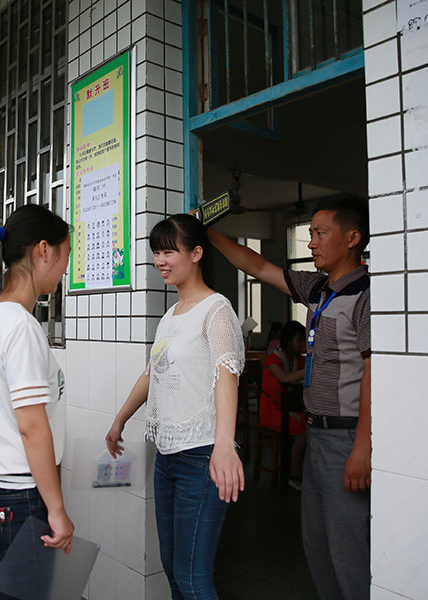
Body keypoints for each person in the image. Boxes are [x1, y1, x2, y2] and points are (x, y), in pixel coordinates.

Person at [208, 196, 371, 600]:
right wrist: (206, 233)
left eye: (320, 233)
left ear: (353, 238)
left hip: (347, 438)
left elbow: (374, 372)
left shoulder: (367, 295)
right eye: (310, 233)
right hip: (317, 436)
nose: (311, 243)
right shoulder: (317, 287)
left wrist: (363, 448)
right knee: (317, 544)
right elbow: (257, 266)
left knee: (348, 549)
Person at [106, 214, 244, 600]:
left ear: (197, 253)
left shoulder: (217, 310)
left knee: (194, 576)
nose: (160, 260)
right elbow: (152, 374)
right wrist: (120, 419)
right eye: (156, 252)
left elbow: (226, 374)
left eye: (169, 251)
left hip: (202, 457)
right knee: (172, 568)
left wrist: (224, 444)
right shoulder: (170, 316)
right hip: (167, 459)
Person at [0, 204, 74, 596]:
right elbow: (32, 428)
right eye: (64, 257)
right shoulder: (21, 327)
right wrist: (57, 510)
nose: (64, 270)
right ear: (43, 250)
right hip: (18, 496)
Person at [260, 320, 307, 490]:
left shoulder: (296, 359)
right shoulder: (273, 359)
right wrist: (310, 366)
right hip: (272, 410)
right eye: (299, 340)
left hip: (287, 408)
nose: (302, 344)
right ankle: (294, 476)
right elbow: (284, 378)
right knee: (304, 431)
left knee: (311, 424)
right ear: (289, 340)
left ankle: (298, 472)